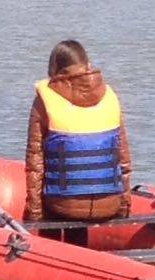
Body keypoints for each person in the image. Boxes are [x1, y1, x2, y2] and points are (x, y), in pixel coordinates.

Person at [24, 40, 131, 223]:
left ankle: (51, 250)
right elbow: (124, 160)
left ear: (55, 70)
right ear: (87, 65)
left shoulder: (45, 100)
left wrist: (34, 215)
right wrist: (124, 206)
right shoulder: (110, 96)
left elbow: (35, 164)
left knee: (61, 205)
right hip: (109, 204)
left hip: (62, 205)